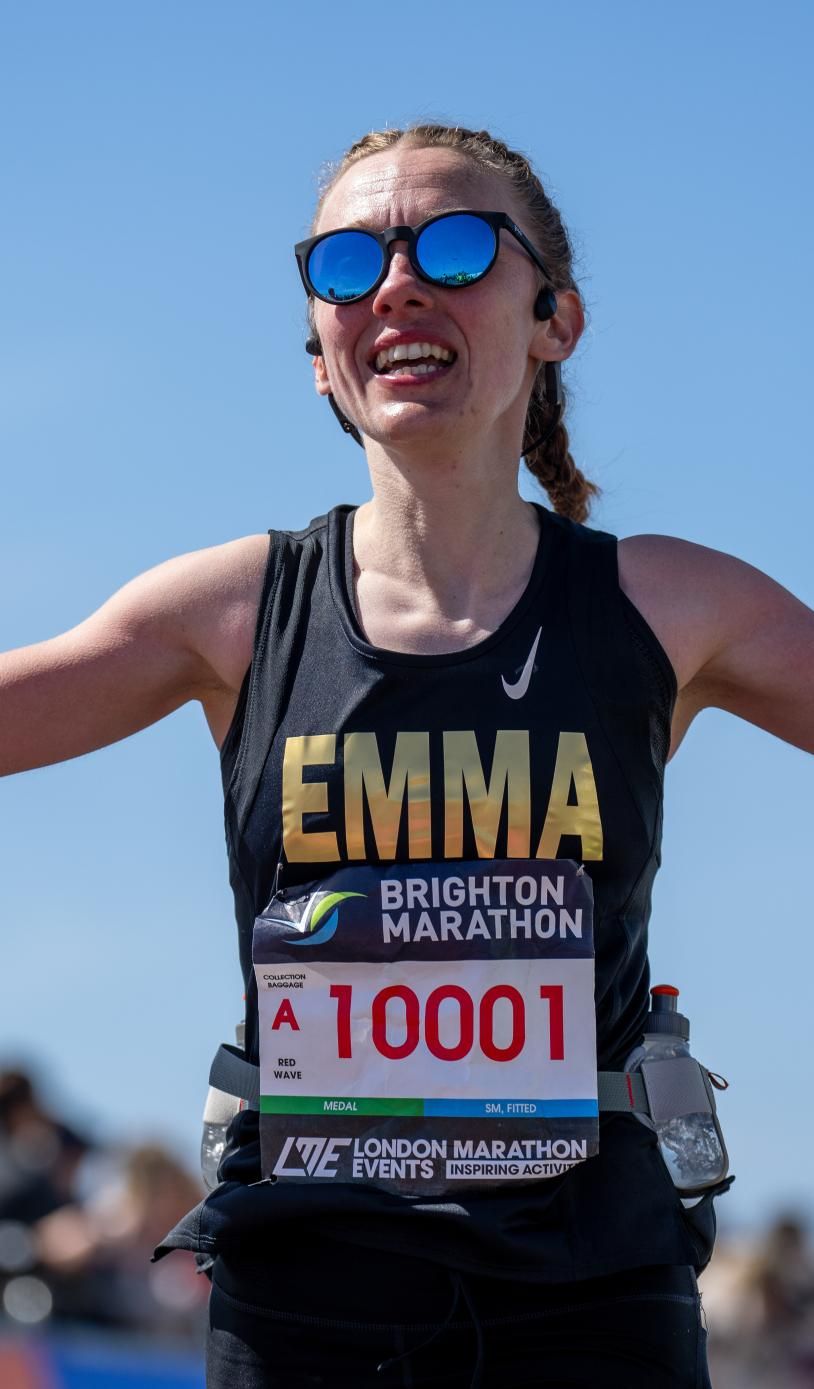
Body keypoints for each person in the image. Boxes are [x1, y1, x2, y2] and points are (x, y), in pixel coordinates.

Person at [2, 122, 811, 1388]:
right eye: (345, 260)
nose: (396, 283)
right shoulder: (228, 613)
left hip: (593, 1289)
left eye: (453, 243)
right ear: (319, 356)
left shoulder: (673, 606)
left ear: (556, 319)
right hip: (307, 1297)